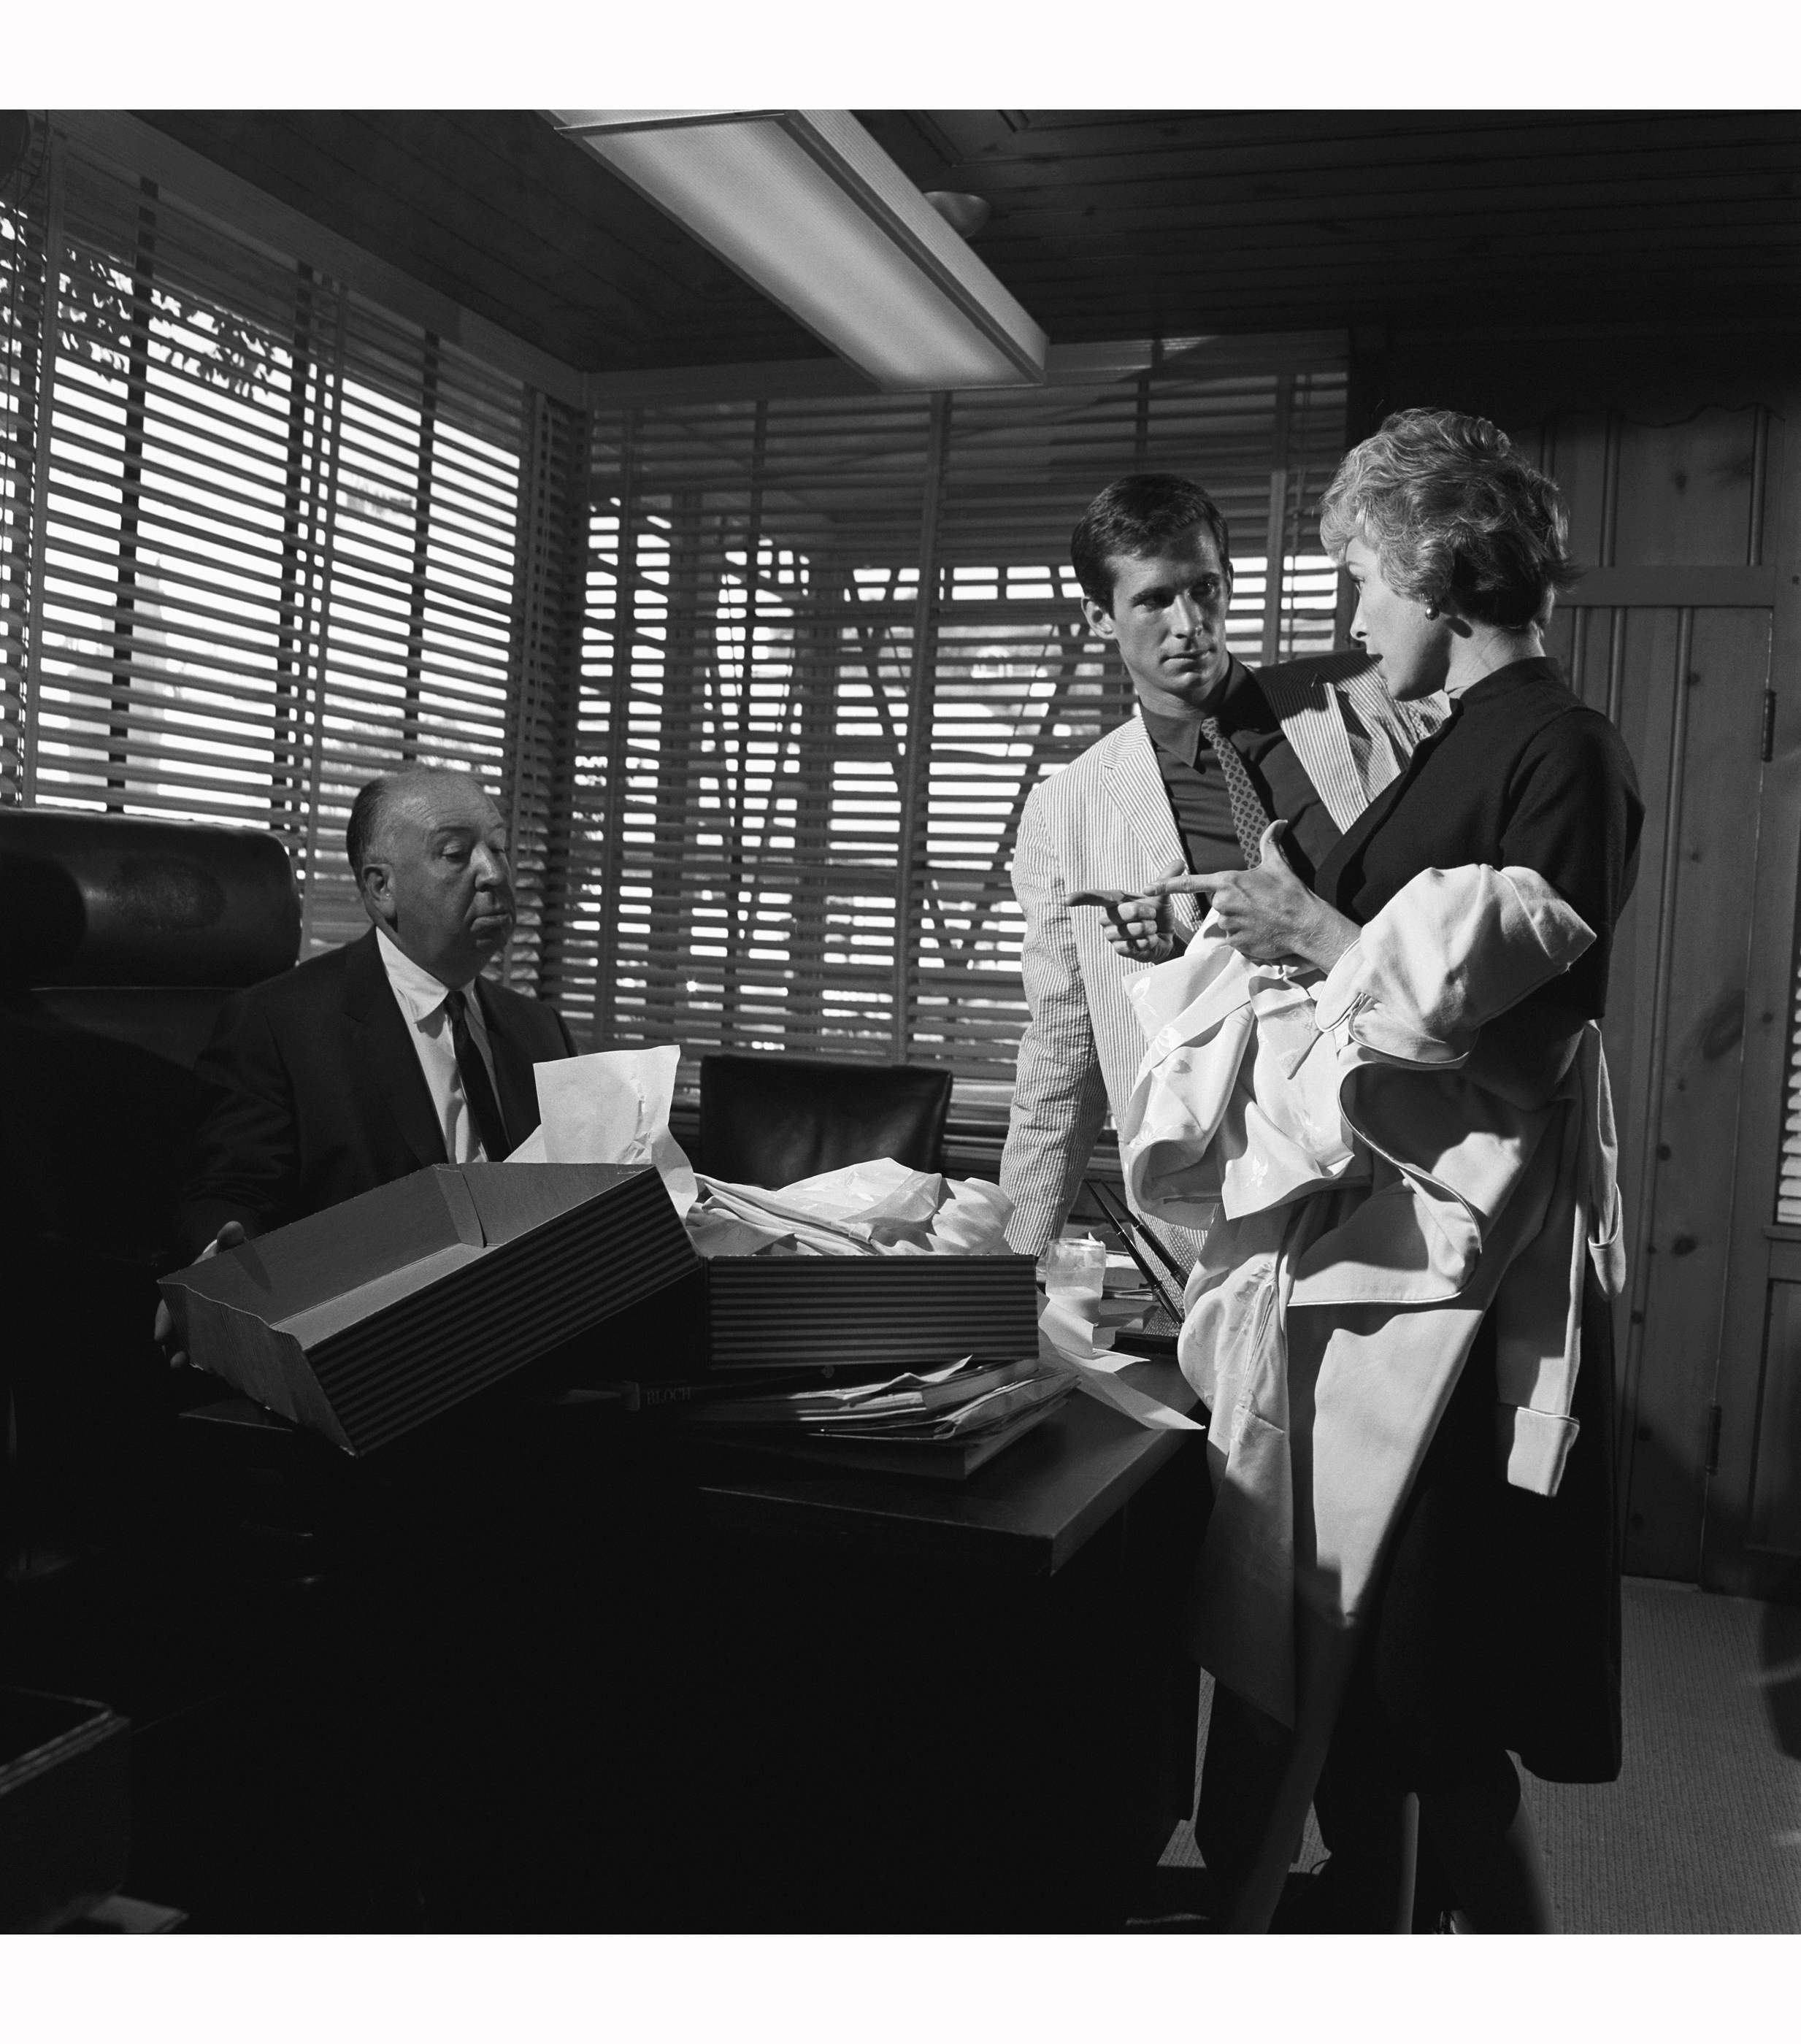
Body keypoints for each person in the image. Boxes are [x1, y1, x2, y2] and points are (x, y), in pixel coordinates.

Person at [1132, 409, 1643, 1930]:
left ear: (1433, 567)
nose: (1353, 616)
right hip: (1368, 1279)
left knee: (1429, 1703)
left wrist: (1319, 940)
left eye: (1362, 575)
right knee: (1350, 1681)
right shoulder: (1458, 750)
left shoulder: (1563, 747)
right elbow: (1368, 946)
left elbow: (1534, 1029)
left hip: (1450, 1315)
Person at [999, 472, 1437, 1264]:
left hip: (1406, 1151)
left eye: (1204, 589)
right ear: (1099, 617)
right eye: (1154, 600)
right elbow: (1060, 1062)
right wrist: (1004, 1273)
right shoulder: (1067, 813)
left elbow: (1459, 906)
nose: (1189, 624)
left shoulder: (1372, 699)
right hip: (1221, 1208)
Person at [167, 765, 575, 1276]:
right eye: (455, 853)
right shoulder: (280, 1026)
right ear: (381, 888)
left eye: (498, 850)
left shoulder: (541, 1030)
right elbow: (230, 1196)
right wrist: (221, 1274)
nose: (493, 874)